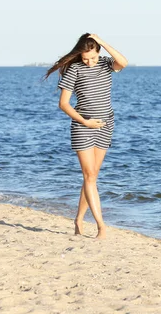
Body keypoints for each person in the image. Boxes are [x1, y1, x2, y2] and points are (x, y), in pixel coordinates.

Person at [44, 33, 128, 239]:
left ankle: (79, 220)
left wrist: (103, 42)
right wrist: (85, 122)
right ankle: (101, 226)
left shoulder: (106, 64)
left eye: (93, 58)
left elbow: (123, 62)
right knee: (89, 177)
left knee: (92, 177)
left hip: (106, 125)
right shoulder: (74, 69)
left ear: (99, 52)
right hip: (83, 127)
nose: (89, 63)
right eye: (85, 58)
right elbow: (63, 104)